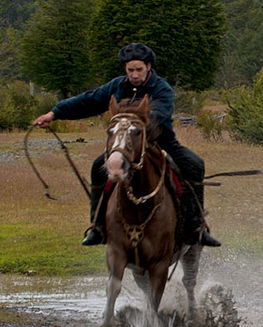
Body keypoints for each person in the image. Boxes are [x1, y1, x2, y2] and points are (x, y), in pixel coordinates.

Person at [31, 42, 221, 248]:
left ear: (148, 66)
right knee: (98, 167)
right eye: (130, 70)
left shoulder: (161, 89)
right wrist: (54, 113)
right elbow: (89, 101)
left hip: (159, 142)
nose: (135, 74)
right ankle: (98, 227)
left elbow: (158, 115)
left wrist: (137, 124)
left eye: (139, 69)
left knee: (194, 163)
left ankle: (196, 228)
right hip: (123, 145)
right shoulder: (117, 86)